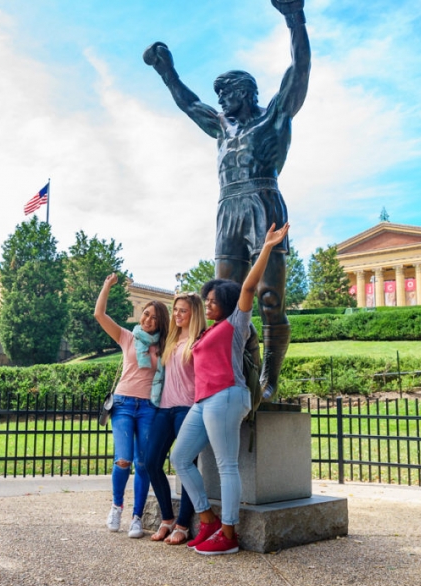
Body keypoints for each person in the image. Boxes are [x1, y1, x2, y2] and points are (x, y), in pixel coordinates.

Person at [143, 0, 310, 402]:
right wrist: (167, 71)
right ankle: (240, 374)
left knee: (269, 298)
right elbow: (188, 102)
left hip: (262, 202)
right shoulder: (220, 127)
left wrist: (294, 19)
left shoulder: (274, 116)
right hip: (228, 209)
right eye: (218, 94)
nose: (220, 100)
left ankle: (269, 381)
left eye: (227, 93)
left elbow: (300, 69)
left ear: (246, 92)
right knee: (225, 300)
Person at [170, 222, 290, 555]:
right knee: (179, 457)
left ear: (225, 302)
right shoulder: (205, 333)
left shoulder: (235, 324)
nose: (207, 305)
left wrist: (266, 247)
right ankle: (207, 518)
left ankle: (229, 532)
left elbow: (249, 288)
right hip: (203, 400)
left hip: (227, 395)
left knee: (226, 465)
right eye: (205, 301)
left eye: (212, 301)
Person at [94, 273, 169, 538]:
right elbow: (100, 315)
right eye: (146, 314)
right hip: (124, 404)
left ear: (161, 323)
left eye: (154, 318)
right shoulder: (128, 337)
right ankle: (116, 507)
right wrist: (107, 286)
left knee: (144, 463)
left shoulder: (164, 345)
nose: (148, 320)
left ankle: (137, 517)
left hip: (149, 407)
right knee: (123, 459)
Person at [144, 292, 206, 545]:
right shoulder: (170, 338)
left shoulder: (200, 340)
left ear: (194, 313)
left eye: (183, 310)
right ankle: (167, 519)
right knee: (150, 462)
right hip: (164, 408)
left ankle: (183, 524)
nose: (178, 315)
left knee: (186, 465)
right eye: (176, 310)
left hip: (187, 409)